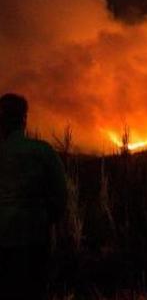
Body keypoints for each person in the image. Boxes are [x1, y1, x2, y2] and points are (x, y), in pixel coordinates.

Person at [0, 94, 68, 300]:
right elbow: (60, 196)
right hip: (35, 238)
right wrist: (47, 220)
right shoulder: (43, 151)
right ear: (24, 120)